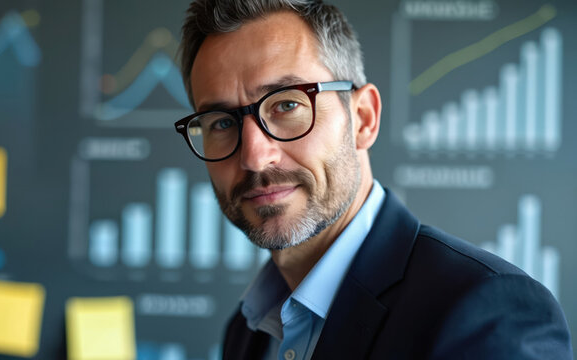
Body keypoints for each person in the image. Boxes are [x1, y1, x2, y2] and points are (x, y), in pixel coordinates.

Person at [173, 0, 572, 359]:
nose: (255, 157)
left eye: (288, 104)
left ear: (363, 119)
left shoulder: (486, 308)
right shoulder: (245, 333)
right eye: (222, 122)